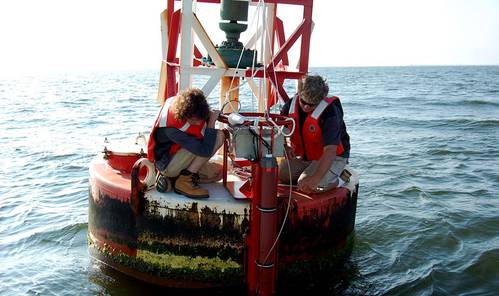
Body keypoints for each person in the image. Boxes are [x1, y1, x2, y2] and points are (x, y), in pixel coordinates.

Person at [147, 88, 225, 198]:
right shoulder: (171, 129)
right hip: (168, 164)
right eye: (194, 120)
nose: (198, 122)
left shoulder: (187, 107)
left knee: (219, 173)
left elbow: (198, 118)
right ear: (184, 115)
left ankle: (172, 181)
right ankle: (183, 181)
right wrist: (211, 122)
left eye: (200, 118)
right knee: (218, 136)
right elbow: (205, 150)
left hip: (177, 154)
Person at [279, 75, 350, 193]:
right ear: (299, 94)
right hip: (308, 157)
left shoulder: (331, 113)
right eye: (303, 102)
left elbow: (330, 150)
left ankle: (340, 179)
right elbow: (280, 130)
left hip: (333, 157)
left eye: (312, 105)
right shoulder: (290, 105)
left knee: (307, 186)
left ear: (321, 100)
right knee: (283, 174)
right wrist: (285, 146)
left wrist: (315, 179)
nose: (306, 107)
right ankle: (314, 171)